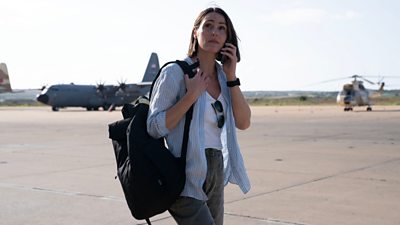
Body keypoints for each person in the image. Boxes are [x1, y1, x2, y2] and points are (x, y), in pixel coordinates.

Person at [147, 7, 251, 225]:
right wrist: (192, 95)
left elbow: (243, 122)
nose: (215, 32)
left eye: (221, 28)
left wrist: (232, 77)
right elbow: (154, 127)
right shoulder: (175, 73)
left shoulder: (224, 77)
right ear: (196, 32)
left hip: (215, 170)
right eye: (209, 26)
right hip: (184, 173)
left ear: (227, 38)